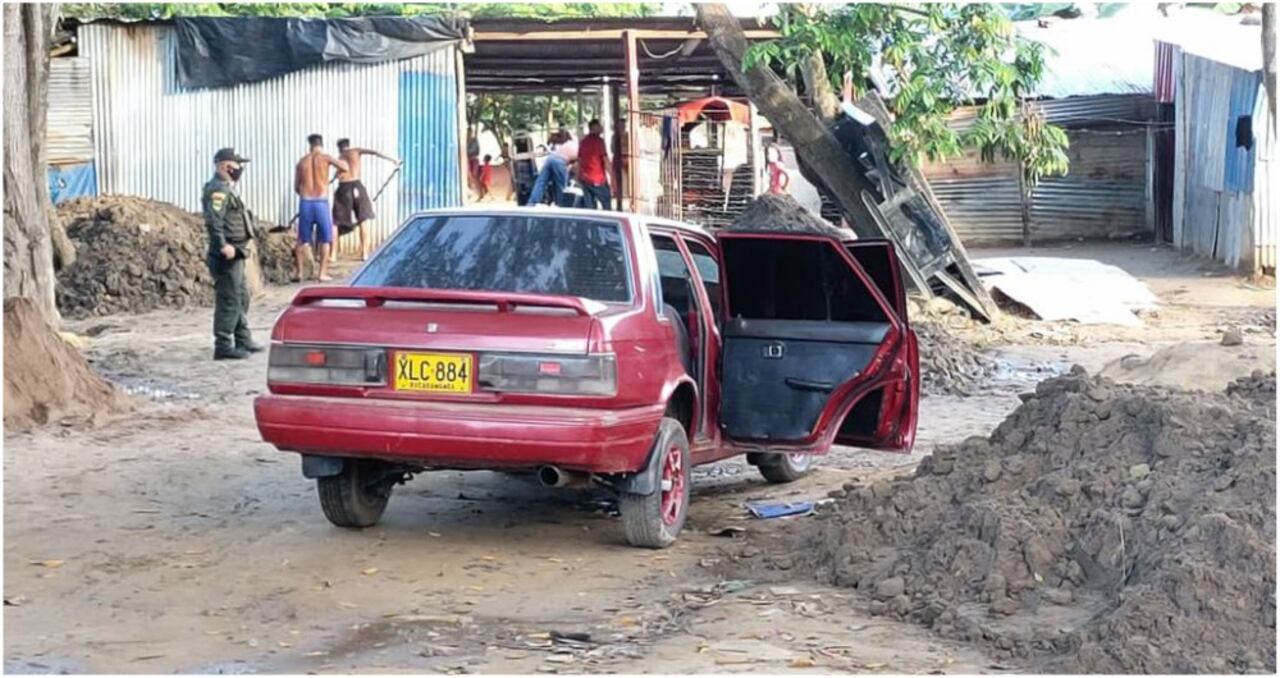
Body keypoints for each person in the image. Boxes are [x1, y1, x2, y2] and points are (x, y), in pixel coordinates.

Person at [202, 147, 260, 361]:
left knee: (241, 296)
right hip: (227, 253)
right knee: (230, 299)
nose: (239, 169)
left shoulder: (227, 188)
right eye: (237, 165)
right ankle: (224, 345)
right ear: (226, 166)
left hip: (238, 252)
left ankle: (243, 338)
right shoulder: (218, 190)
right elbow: (214, 221)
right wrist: (222, 245)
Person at [334, 138, 399, 261]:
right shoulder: (356, 151)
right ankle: (364, 253)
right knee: (363, 220)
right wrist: (393, 160)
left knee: (335, 222)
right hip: (357, 186)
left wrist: (335, 177)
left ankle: (332, 254)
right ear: (348, 145)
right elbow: (375, 152)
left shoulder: (340, 156)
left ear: (339, 147)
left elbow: (339, 174)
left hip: (344, 187)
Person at [294, 133, 347, 282]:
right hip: (321, 202)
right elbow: (345, 167)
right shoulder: (326, 158)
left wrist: (305, 194)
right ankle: (322, 274)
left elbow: (296, 187)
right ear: (321, 145)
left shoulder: (301, 162)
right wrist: (337, 173)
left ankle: (299, 273)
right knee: (324, 239)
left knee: (302, 240)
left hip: (306, 202)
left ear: (310, 145)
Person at [525, 129, 577, 206]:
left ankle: (531, 203)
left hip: (551, 158)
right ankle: (561, 204)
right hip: (560, 161)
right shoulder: (578, 148)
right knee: (561, 185)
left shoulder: (569, 144)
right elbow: (575, 166)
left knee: (541, 182)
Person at [577, 119, 611, 210]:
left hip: (585, 178)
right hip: (597, 178)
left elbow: (580, 160)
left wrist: (578, 175)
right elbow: (605, 160)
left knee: (589, 206)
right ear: (594, 127)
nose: (601, 128)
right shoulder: (599, 142)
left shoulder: (583, 142)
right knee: (606, 202)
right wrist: (612, 175)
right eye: (599, 126)